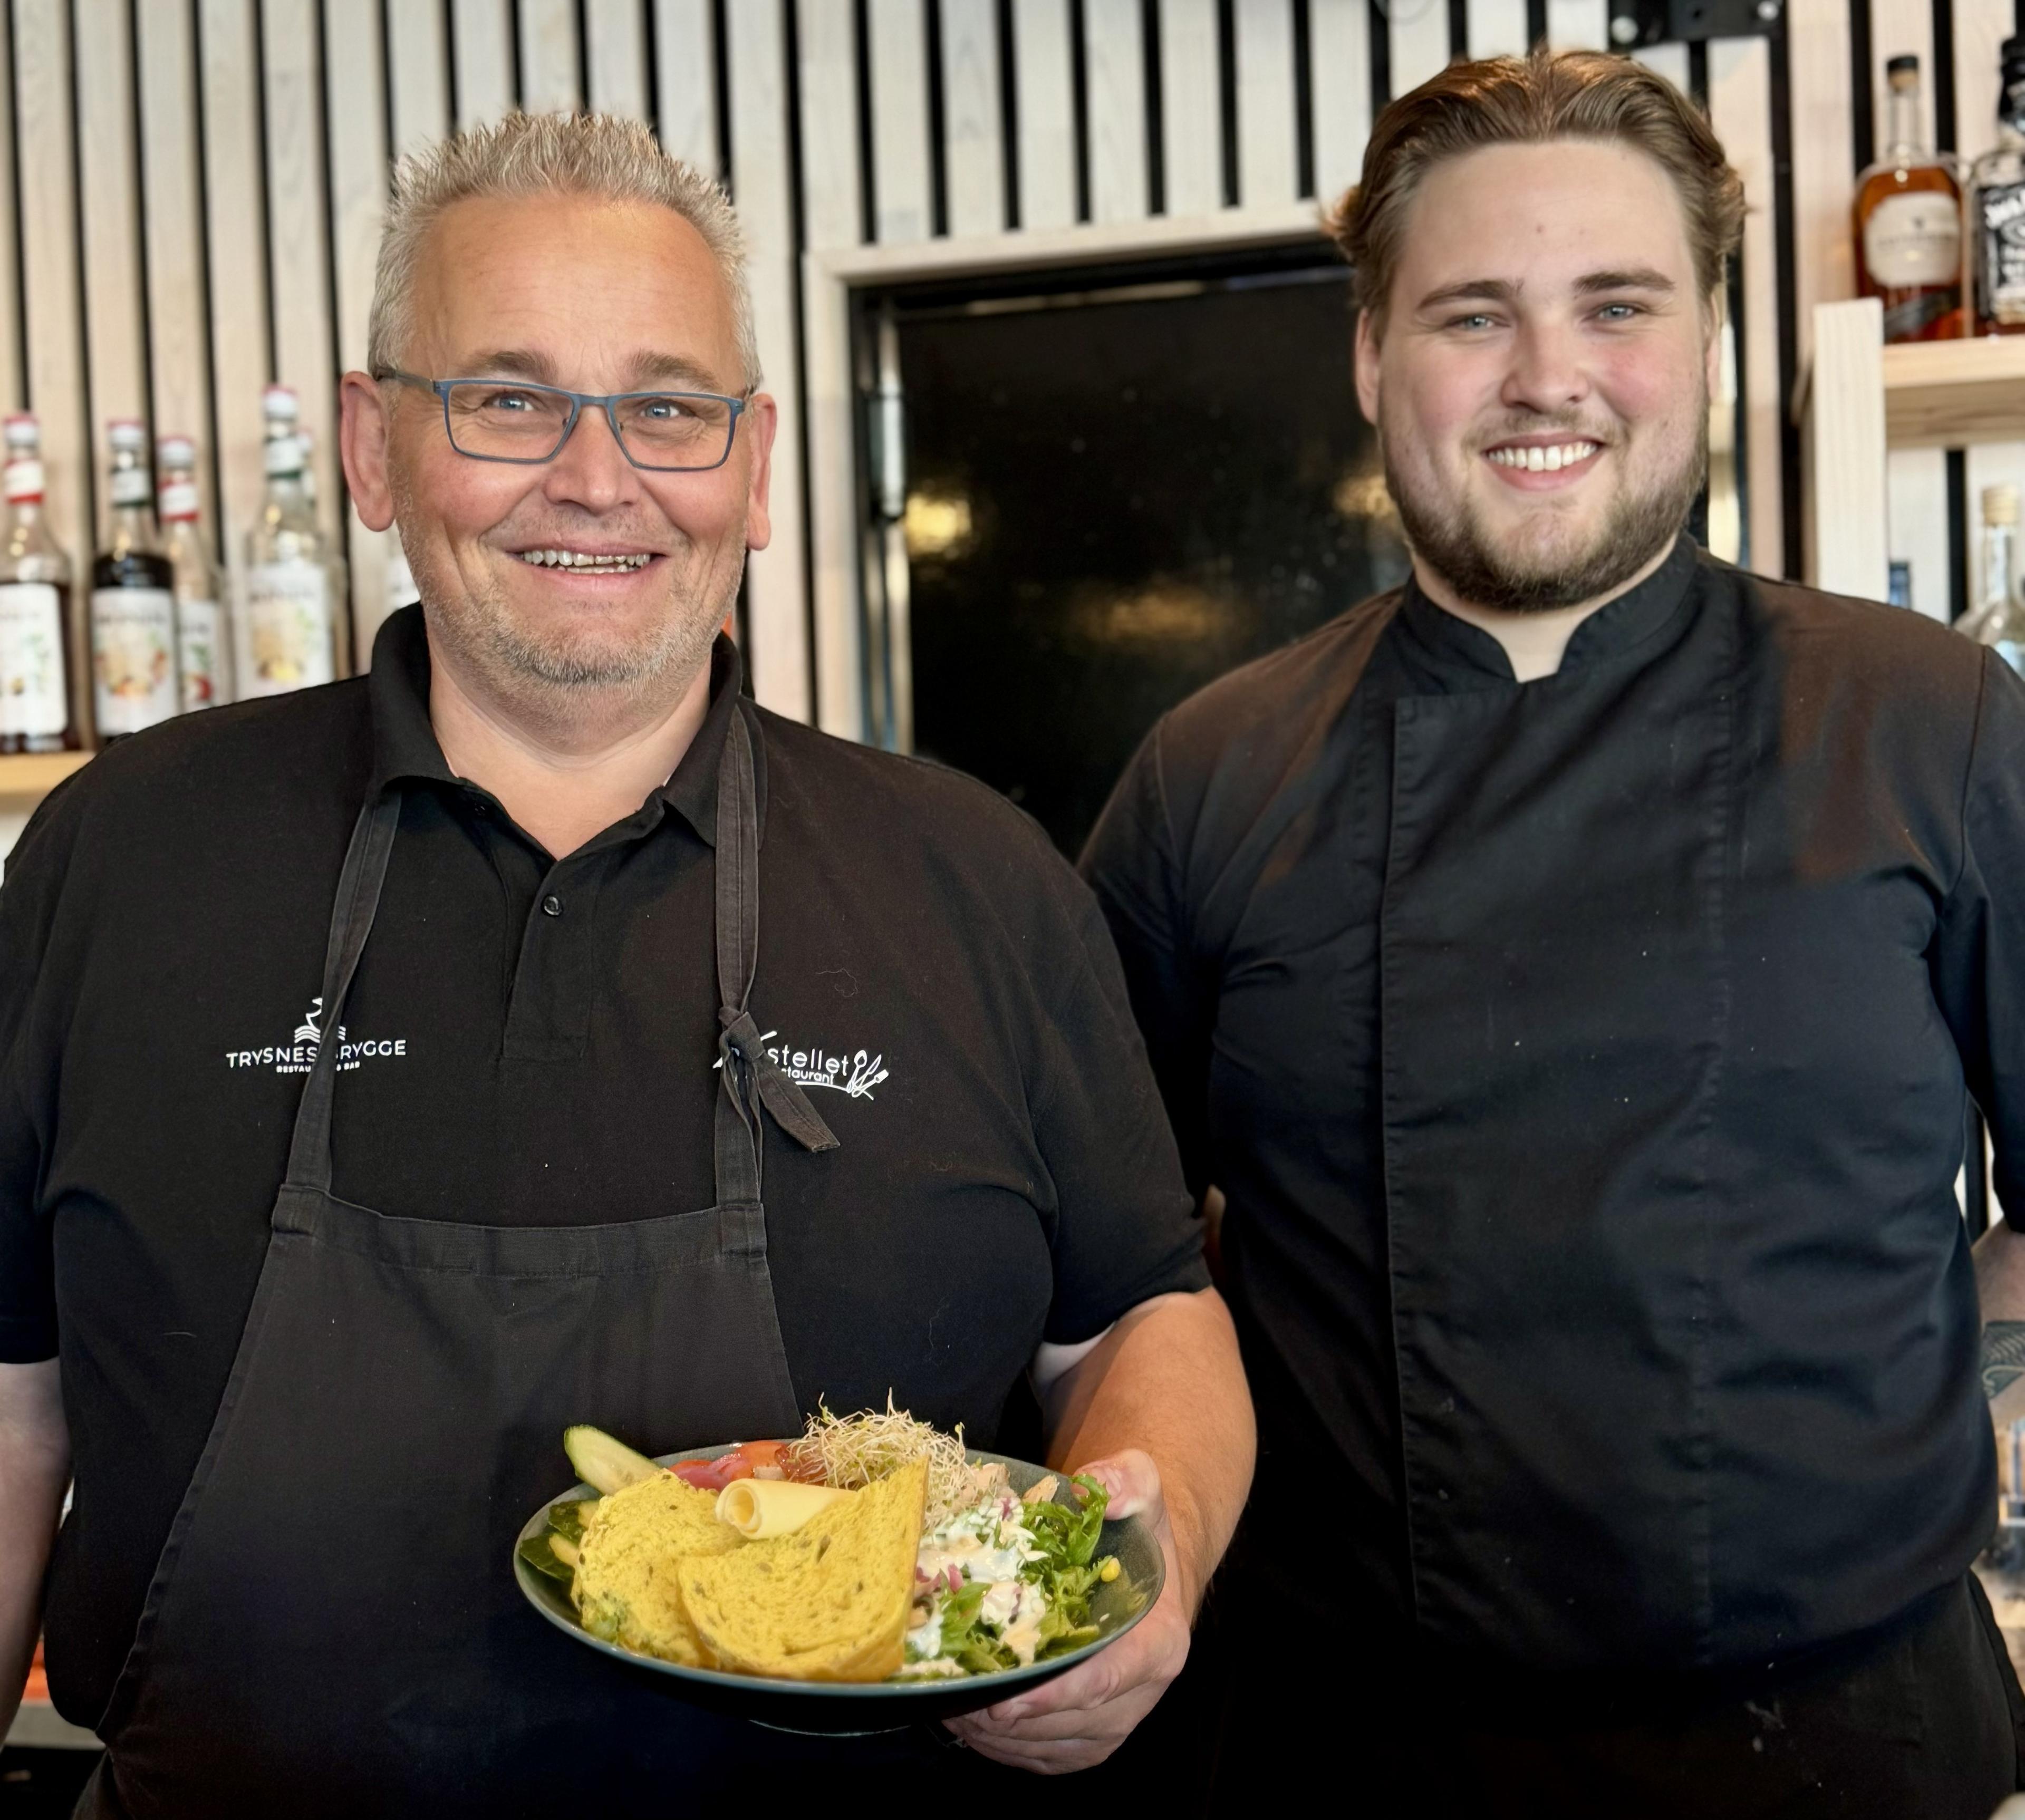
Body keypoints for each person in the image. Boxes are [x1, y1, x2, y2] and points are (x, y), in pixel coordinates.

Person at [0, 112, 1253, 1813]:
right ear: (374, 446)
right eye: (509, 398)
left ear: (752, 456)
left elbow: (1142, 1316)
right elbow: (11, 1409)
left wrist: (1149, 1550)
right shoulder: (117, 856)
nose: (598, 478)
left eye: (667, 405)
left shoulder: (975, 877)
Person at [1082, 47, 2025, 1819]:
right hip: (1337, 1749)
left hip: (1845, 1749)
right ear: (1371, 359)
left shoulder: (1934, 726)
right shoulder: (1209, 778)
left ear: (1712, 340)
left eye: (1617, 304)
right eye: (1468, 316)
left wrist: (1862, 1366)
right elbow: (1113, 1261)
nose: (1548, 379)